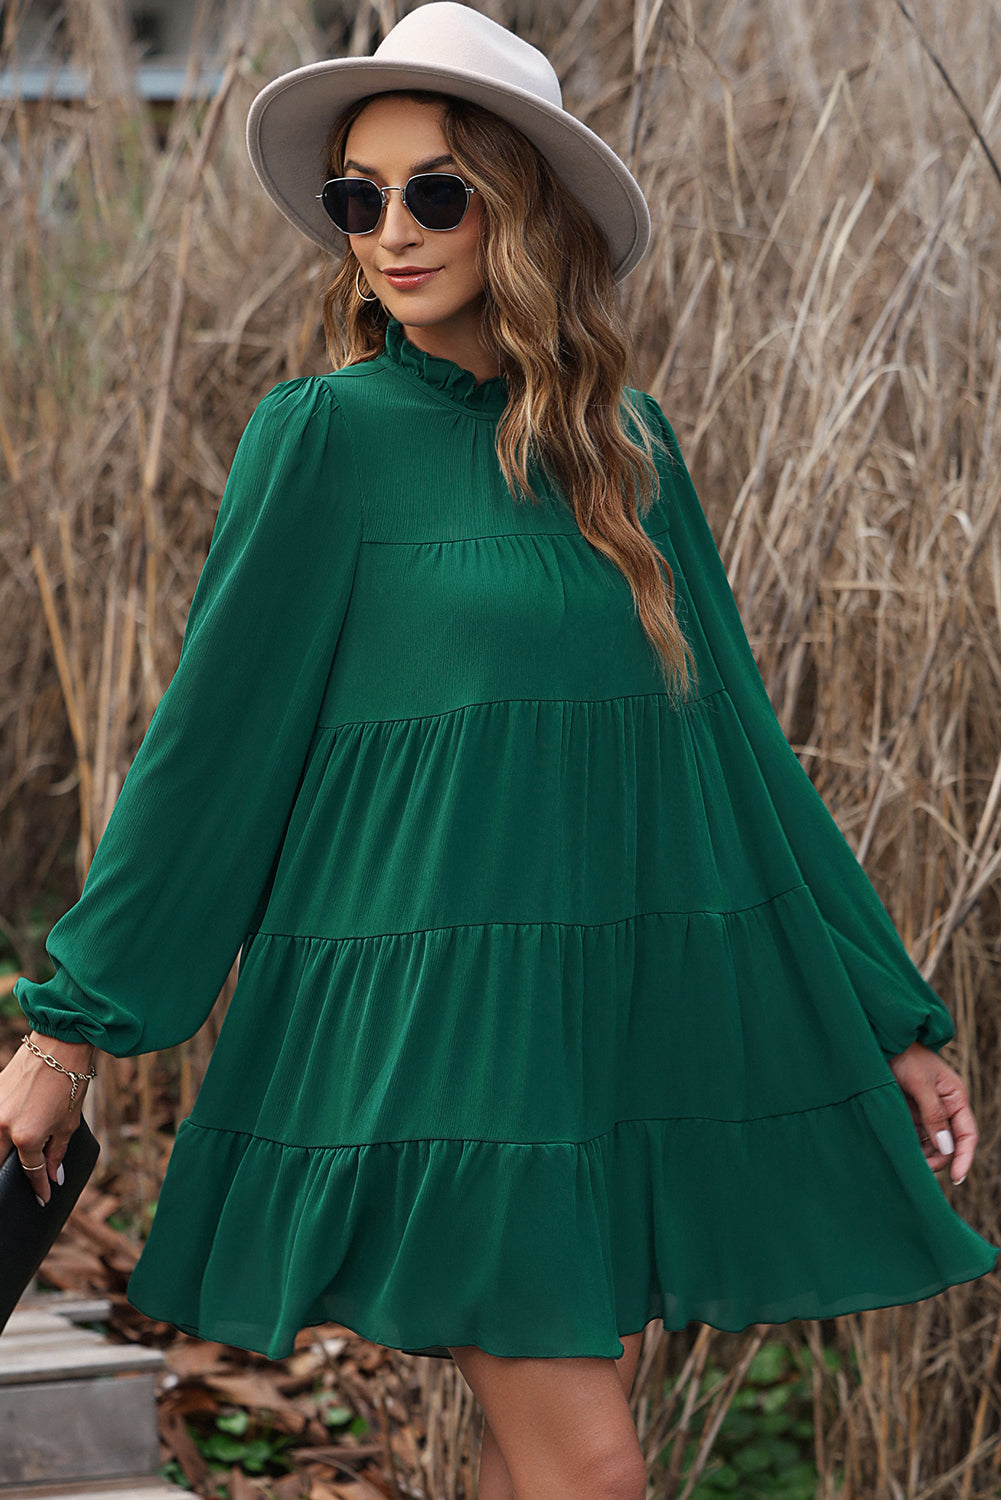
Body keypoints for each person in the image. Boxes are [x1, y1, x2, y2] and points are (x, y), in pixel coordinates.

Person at [2, 6, 996, 1498]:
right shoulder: (322, 437)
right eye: (357, 198)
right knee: (593, 1472)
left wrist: (886, 1016)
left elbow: (740, 755)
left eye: (434, 192)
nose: (390, 231)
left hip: (601, 1024)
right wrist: (66, 1035)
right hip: (431, 1026)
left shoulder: (630, 452)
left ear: (523, 207)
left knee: (541, 1471)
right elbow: (207, 759)